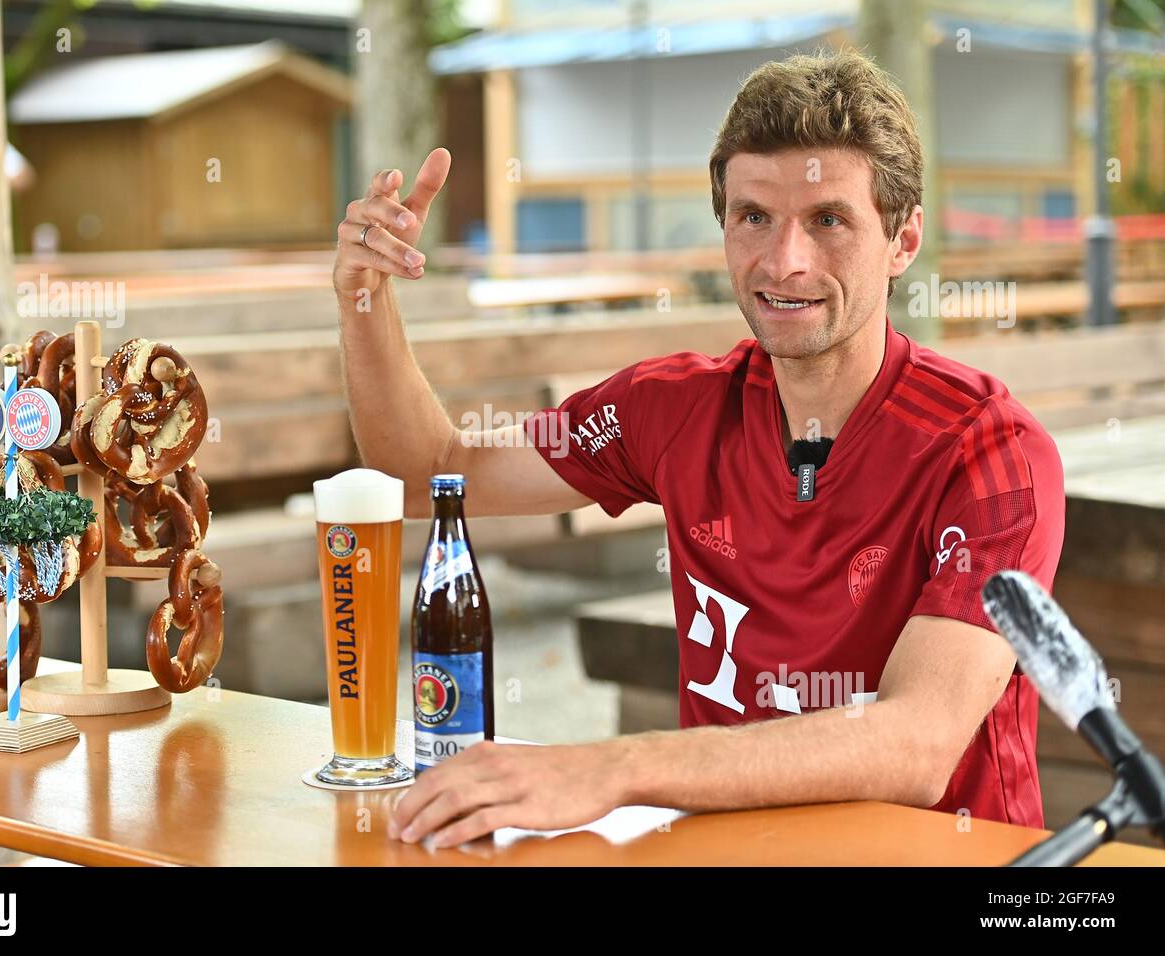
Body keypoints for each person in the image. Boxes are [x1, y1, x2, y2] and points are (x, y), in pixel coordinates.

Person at [331, 50, 1064, 850]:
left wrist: (613, 768)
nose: (786, 261)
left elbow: (917, 742)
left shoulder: (992, 451)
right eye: (754, 216)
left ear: (904, 237)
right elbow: (430, 474)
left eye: (828, 219)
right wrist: (366, 299)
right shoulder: (671, 407)